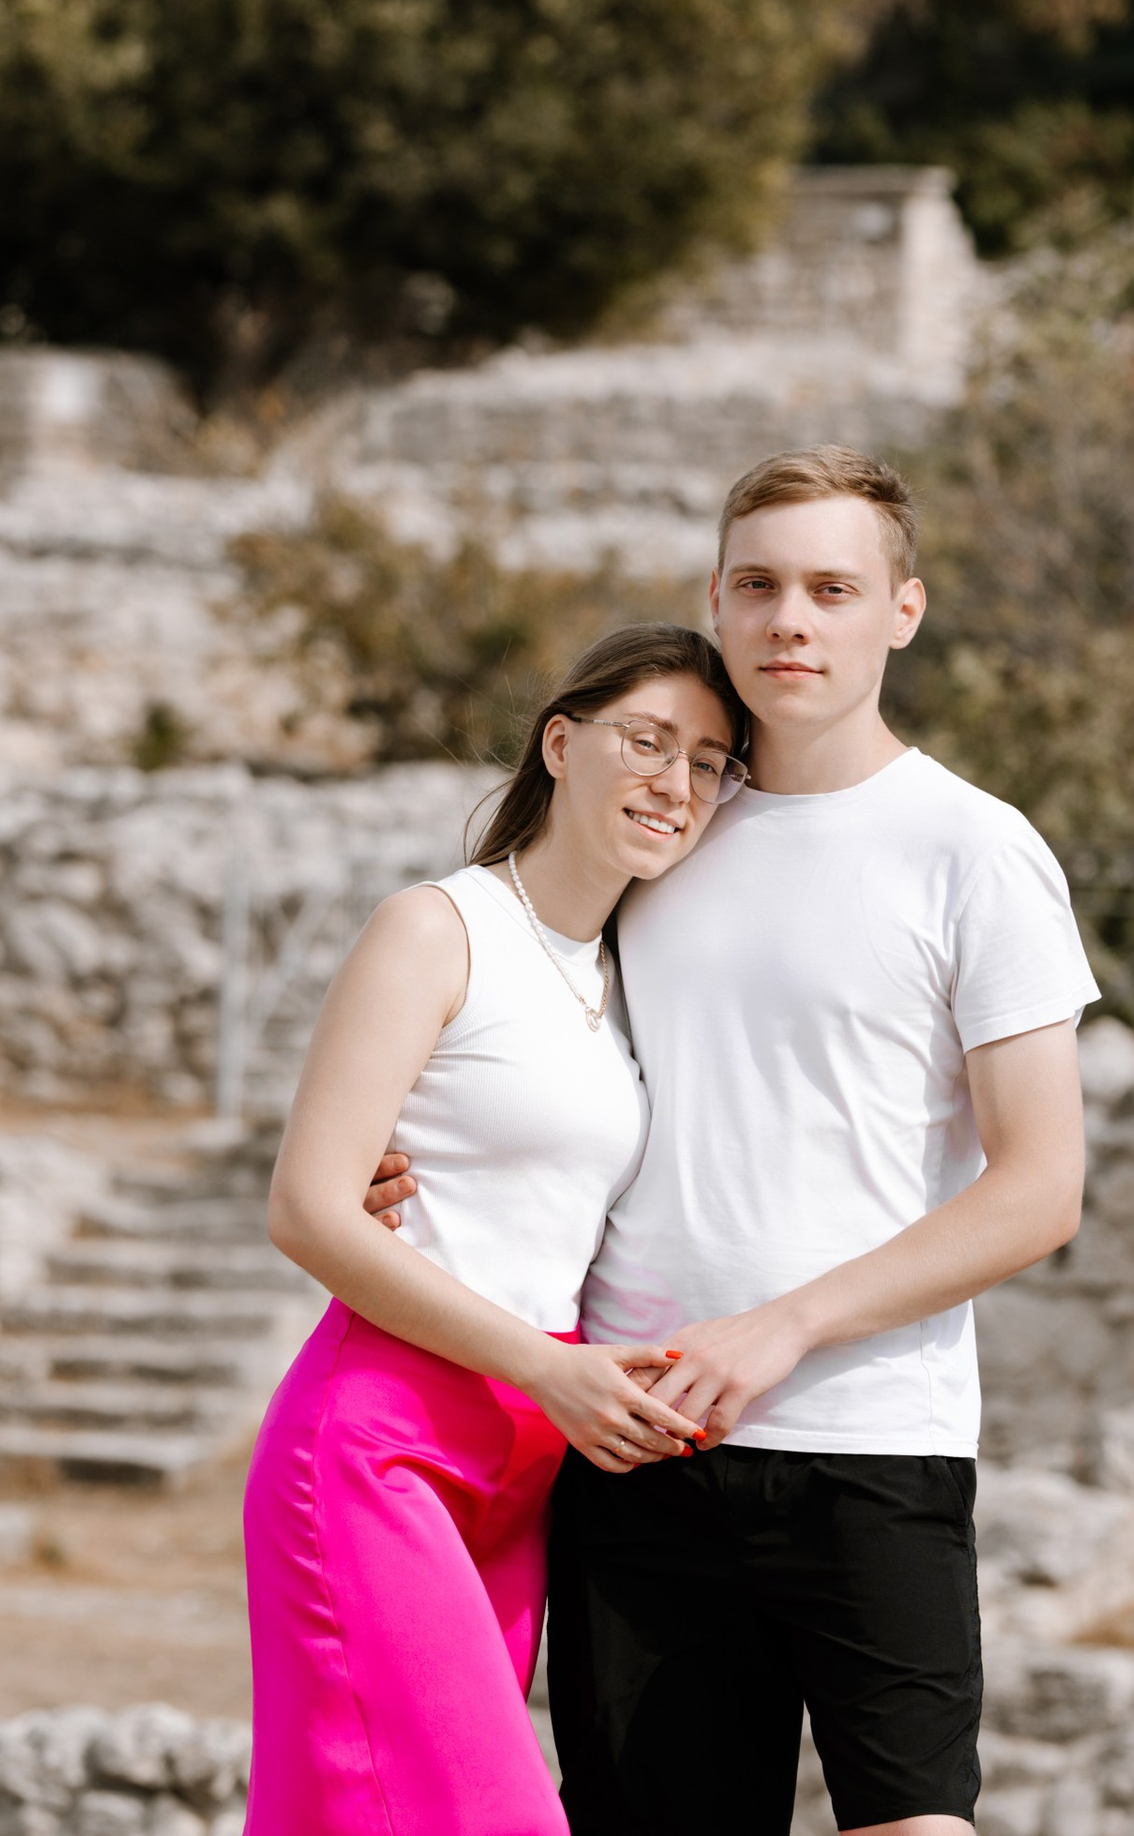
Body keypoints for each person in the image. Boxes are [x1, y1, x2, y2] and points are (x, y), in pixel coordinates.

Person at [369, 446, 1096, 1836]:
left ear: (905, 610)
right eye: (758, 586)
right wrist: (401, 1156)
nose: (790, 622)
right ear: (716, 595)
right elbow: (511, 1019)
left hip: (875, 1445)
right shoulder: (671, 821)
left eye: (832, 588)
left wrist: (785, 1330)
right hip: (633, 1442)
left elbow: (1041, 1188)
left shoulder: (976, 850)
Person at [245, 622, 748, 1836]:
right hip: (383, 1448)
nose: (674, 781)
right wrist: (544, 1365)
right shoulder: (437, 928)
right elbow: (308, 1207)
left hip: (525, 1468)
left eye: (709, 759)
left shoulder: (633, 970)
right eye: (646, 740)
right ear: (561, 744)